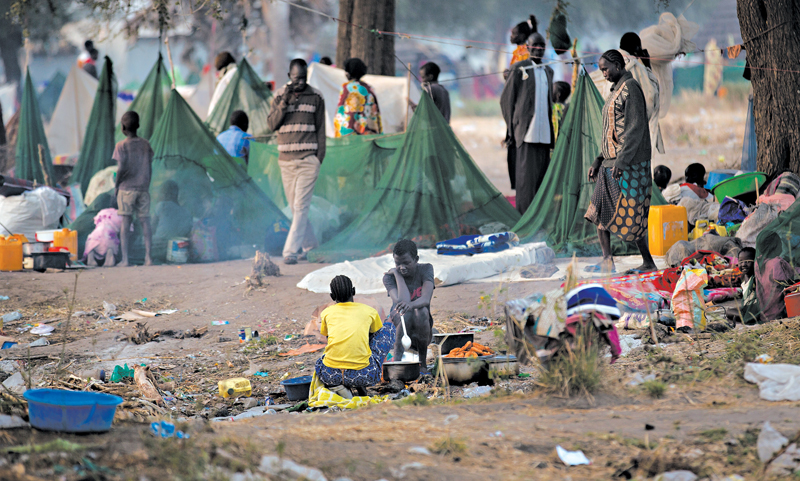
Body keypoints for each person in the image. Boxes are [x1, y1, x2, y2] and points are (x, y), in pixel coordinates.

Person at [585, 50, 655, 275]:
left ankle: (648, 261)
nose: (603, 73)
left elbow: (635, 129)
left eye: (605, 68)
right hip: (609, 163)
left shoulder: (630, 89)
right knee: (601, 209)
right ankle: (607, 260)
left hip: (630, 164)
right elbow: (610, 131)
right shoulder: (614, 91)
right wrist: (599, 159)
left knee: (633, 213)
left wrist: (622, 161)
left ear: (617, 65)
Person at [267, 58, 326, 265]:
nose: (299, 82)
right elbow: (272, 124)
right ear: (289, 77)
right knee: (295, 208)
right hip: (286, 161)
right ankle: (311, 247)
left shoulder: (316, 96)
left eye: (303, 78)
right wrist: (285, 102)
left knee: (300, 207)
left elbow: (321, 130)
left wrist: (318, 158)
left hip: (308, 160)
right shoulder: (279, 95)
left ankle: (290, 251)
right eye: (295, 78)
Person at [500, 32, 555, 215]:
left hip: (545, 133)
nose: (538, 49)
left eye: (541, 46)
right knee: (525, 181)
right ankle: (524, 219)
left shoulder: (549, 70)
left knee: (541, 179)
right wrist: (512, 129)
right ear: (528, 47)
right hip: (525, 133)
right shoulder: (519, 68)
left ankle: (539, 218)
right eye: (535, 45)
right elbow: (506, 101)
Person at [315, 275, 396, 398]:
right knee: (386, 330)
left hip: (330, 375)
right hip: (365, 375)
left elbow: (328, 338)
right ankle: (359, 387)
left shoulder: (326, 313)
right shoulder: (369, 311)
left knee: (323, 359)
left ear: (332, 296)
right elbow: (374, 337)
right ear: (353, 291)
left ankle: (340, 388)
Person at [383, 239, 434, 374]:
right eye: (398, 264)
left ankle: (423, 364)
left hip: (421, 327)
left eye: (406, 263)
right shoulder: (389, 278)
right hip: (400, 325)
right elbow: (402, 301)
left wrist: (410, 306)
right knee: (405, 312)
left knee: (421, 310)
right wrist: (397, 275)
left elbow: (425, 299)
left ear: (416, 259)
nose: (402, 267)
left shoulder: (426, 269)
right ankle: (397, 362)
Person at [113, 111, 154, 267]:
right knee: (145, 222)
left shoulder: (121, 146)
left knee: (126, 222)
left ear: (123, 127)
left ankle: (125, 260)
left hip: (126, 189)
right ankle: (149, 258)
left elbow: (121, 167)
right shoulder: (146, 144)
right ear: (138, 126)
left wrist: (117, 185)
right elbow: (149, 166)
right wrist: (146, 184)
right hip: (143, 188)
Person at [502, 15, 538, 191]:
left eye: (514, 34)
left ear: (523, 36)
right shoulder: (517, 53)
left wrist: (510, 76)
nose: (511, 36)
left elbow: (523, 78)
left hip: (521, 105)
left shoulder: (525, 53)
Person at [333, 58, 382, 137]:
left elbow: (340, 110)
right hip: (367, 134)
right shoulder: (369, 88)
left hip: (349, 132)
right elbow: (375, 111)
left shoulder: (346, 88)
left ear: (349, 73)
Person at [152, 180, 192, 263]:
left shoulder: (162, 206)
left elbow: (151, 228)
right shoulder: (186, 212)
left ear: (163, 193)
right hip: (179, 250)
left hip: (157, 247)